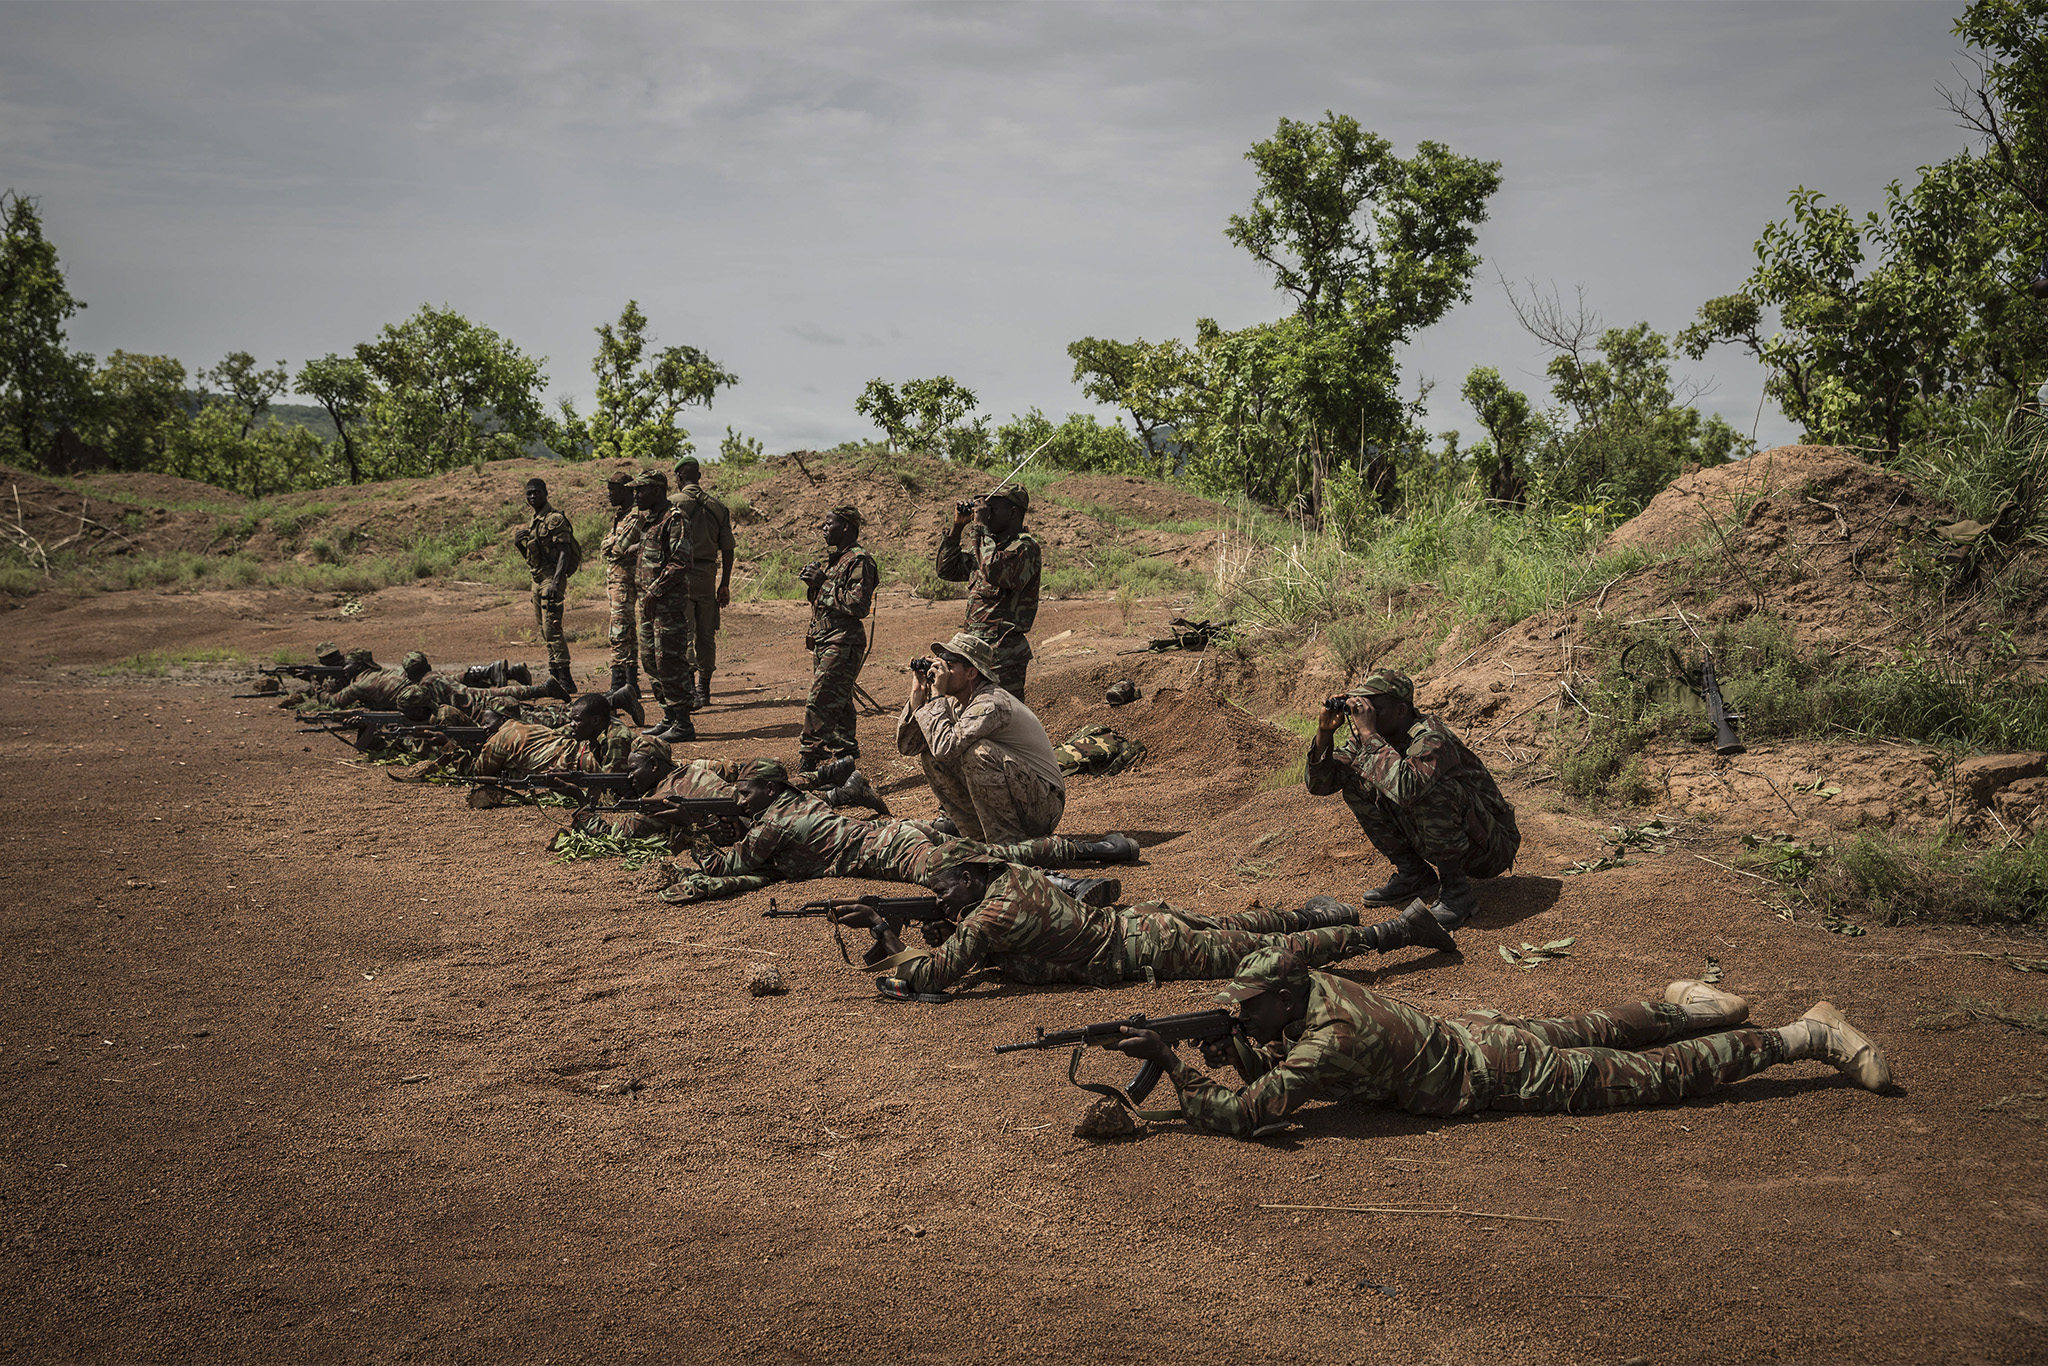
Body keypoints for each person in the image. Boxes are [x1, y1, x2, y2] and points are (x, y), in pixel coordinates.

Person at [1099, 947, 1890, 1138]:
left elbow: (1253, 1115)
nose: (1244, 1019)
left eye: (1250, 1008)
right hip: (1470, 1037)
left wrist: (1172, 1065)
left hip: (1497, 1073)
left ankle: (1804, 1035)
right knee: (1594, 1024)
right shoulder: (1317, 991)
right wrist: (1239, 1040)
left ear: (1281, 994)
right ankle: (1681, 1000)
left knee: (1652, 1079)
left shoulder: (1329, 1035)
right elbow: (1275, 1051)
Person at [849, 861, 1456, 1001]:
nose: (941, 898)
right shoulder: (1012, 876)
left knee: (1270, 954)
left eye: (946, 888)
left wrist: (887, 936)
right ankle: (1319, 912)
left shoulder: (986, 918)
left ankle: (1396, 933)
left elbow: (933, 979)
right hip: (1138, 924)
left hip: (1146, 948)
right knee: (1236, 927)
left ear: (972, 876)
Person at [663, 764, 1141, 904]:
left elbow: (726, 867)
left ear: (769, 790)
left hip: (889, 850)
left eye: (746, 794)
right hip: (895, 830)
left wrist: (693, 831)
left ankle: (1068, 886)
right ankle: (1097, 848)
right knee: (993, 848)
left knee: (966, 870)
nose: (740, 801)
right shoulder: (800, 802)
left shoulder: (772, 825)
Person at [1306, 668, 1520, 928]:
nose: (1367, 715)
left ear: (1401, 711)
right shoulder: (1375, 739)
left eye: (1376, 709)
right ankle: (1414, 874)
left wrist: (1369, 735)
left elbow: (1408, 789)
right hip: (1459, 837)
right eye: (1364, 709)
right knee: (1356, 779)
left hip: (1491, 847)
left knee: (1426, 788)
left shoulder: (1431, 738)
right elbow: (1320, 785)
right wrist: (1324, 732)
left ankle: (1457, 892)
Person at [897, 631, 1064, 843]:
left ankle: (1006, 842)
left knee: (978, 753)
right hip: (1023, 797)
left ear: (971, 673)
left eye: (949, 663)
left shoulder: (991, 703)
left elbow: (945, 747)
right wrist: (918, 695)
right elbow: (909, 746)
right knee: (930, 754)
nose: (942, 670)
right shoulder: (958, 703)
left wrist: (938, 696)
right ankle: (977, 838)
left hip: (1044, 807)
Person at [935, 482, 1039, 697]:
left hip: (1003, 654)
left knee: (1003, 715)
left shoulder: (1024, 547)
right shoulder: (986, 549)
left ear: (1012, 513)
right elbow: (947, 570)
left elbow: (994, 570)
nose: (983, 514)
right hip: (973, 649)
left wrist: (979, 527)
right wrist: (957, 528)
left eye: (991, 509)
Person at [798, 506, 877, 781]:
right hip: (825, 639)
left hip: (843, 641)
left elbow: (858, 605)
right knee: (838, 701)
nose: (823, 528)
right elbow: (826, 602)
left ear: (845, 526)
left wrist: (823, 584)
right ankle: (846, 764)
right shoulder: (837, 560)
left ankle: (808, 763)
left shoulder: (860, 560)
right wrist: (815, 582)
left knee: (820, 699)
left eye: (828, 523)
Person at [634, 472, 697, 742]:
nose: (636, 495)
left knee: (669, 661)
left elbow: (680, 561)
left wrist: (655, 590)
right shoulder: (649, 520)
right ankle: (668, 715)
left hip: (667, 606)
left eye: (641, 490)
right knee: (650, 659)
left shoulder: (675, 519)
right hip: (648, 606)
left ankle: (683, 722)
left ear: (658, 490)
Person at [671, 457, 736, 708]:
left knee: (684, 633)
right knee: (706, 635)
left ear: (679, 478)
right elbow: (728, 549)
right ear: (699, 476)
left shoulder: (672, 505)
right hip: (708, 577)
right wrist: (725, 583)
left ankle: (689, 690)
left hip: (680, 576)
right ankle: (704, 689)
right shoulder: (718, 507)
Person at [511, 477, 581, 692]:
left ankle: (566, 680)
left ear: (546, 493)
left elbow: (564, 552)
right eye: (529, 494)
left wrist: (556, 582)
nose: (533, 497)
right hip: (537, 579)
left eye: (536, 493)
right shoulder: (534, 521)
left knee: (553, 628)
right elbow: (534, 559)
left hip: (551, 579)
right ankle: (555, 675)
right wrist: (519, 545)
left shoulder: (554, 519)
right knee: (543, 630)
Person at [598, 468, 646, 699]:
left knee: (619, 632)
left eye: (612, 490)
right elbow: (605, 546)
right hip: (618, 581)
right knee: (627, 632)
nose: (608, 494)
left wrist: (612, 542)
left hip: (625, 582)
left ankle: (619, 684)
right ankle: (630, 683)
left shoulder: (635, 516)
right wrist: (612, 542)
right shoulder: (622, 515)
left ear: (625, 492)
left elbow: (616, 549)